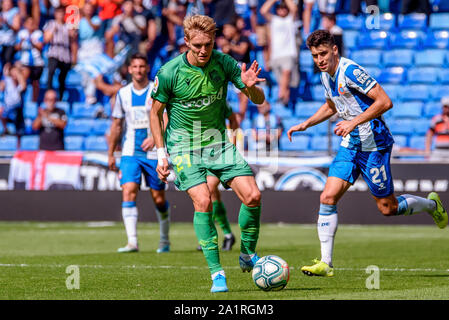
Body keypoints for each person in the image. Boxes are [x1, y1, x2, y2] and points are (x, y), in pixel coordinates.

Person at [287, 30, 448, 277]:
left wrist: (352, 122)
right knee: (327, 197)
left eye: (323, 54)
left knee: (388, 208)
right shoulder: (325, 75)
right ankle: (326, 263)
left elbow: (384, 101)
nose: (319, 59)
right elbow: (332, 105)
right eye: (315, 56)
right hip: (351, 144)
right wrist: (306, 124)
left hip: (375, 144)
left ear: (334, 50)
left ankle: (430, 205)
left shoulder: (350, 71)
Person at [150, 14, 265, 293]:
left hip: (216, 141)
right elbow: (155, 113)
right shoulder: (169, 72)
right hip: (182, 146)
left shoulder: (224, 63)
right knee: (203, 201)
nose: (203, 51)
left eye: (209, 45)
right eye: (198, 45)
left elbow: (259, 101)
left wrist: (250, 86)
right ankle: (217, 274)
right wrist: (161, 155)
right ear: (186, 41)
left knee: (253, 195)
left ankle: (247, 253)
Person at [108, 53, 171, 254]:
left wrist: (155, 138)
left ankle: (164, 239)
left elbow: (166, 118)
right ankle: (132, 242)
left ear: (147, 68)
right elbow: (117, 124)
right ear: (129, 69)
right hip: (130, 152)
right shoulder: (122, 94)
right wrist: (111, 153)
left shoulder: (156, 89)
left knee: (158, 198)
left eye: (142, 66)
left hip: (153, 153)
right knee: (128, 190)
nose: (138, 70)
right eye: (134, 66)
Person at [260, 0, 300, 107]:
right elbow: (263, 10)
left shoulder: (290, 19)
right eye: (279, 8)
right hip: (276, 55)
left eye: (284, 8)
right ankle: (285, 100)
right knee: (282, 81)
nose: (282, 10)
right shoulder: (274, 20)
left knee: (286, 74)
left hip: (288, 53)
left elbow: (294, 9)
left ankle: (281, 95)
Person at [217, 20, 252, 121]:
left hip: (244, 69)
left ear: (234, 28)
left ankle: (241, 117)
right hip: (234, 71)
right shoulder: (228, 41)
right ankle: (240, 117)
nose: (225, 31)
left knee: (244, 93)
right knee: (239, 93)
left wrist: (229, 46)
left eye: (227, 28)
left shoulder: (243, 38)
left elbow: (242, 50)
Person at [43, 6, 78, 100]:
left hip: (65, 53)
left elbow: (73, 41)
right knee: (51, 71)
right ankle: (49, 94)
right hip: (54, 51)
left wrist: (74, 56)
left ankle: (61, 96)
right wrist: (52, 31)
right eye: (58, 13)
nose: (60, 15)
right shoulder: (51, 24)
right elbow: (46, 39)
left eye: (62, 13)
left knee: (62, 77)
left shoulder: (68, 26)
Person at [15, 16, 45, 102]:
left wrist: (32, 41)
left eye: (32, 23)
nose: (31, 25)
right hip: (25, 62)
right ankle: (19, 97)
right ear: (25, 24)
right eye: (29, 23)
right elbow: (16, 47)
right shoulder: (22, 33)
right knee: (23, 77)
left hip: (37, 62)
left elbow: (41, 47)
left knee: (35, 82)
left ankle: (34, 101)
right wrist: (21, 42)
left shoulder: (38, 33)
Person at [0, 65, 26, 142]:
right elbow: (1, 86)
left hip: (18, 108)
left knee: (19, 118)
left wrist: (19, 75)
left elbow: (23, 86)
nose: (14, 74)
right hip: (8, 107)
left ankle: (18, 139)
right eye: (13, 72)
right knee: (1, 110)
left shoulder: (20, 83)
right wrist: (5, 74)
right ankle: (5, 129)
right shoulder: (7, 81)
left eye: (16, 73)